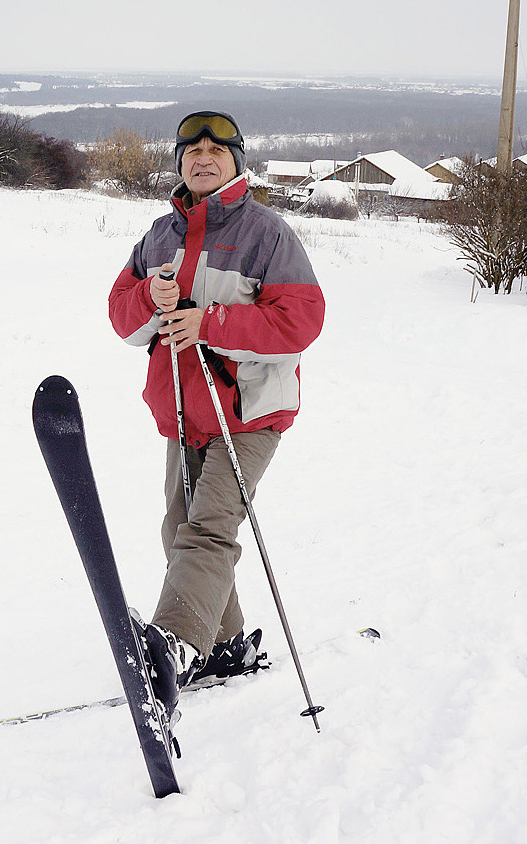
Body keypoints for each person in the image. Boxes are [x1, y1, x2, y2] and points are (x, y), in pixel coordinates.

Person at [107, 110, 324, 720]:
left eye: (217, 151)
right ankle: (225, 645)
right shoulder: (159, 236)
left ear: (237, 162)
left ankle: (173, 645)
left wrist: (212, 322)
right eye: (191, 151)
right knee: (179, 527)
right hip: (183, 411)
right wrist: (151, 296)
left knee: (207, 528)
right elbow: (122, 319)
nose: (203, 159)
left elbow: (301, 321)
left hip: (249, 413)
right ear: (179, 163)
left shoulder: (268, 234)